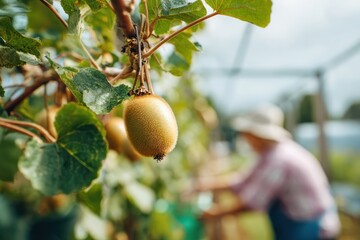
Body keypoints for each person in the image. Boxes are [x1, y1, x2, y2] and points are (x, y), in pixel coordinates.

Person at [195, 103, 340, 240]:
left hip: (313, 226)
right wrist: (205, 185)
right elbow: (243, 180)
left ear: (258, 134)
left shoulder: (279, 159)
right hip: (299, 220)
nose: (245, 138)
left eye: (248, 134)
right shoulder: (270, 153)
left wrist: (216, 213)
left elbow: (253, 202)